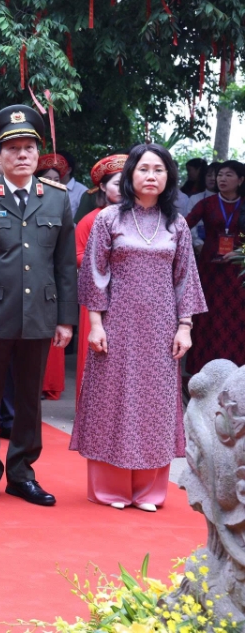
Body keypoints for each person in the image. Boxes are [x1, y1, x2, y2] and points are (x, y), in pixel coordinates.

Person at [0, 105, 78, 507]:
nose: (23, 155)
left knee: (29, 398)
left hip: (39, 315)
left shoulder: (57, 200)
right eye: (13, 149)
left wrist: (66, 319)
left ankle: (23, 473)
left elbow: (64, 266)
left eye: (29, 148)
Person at [74, 143, 205, 511]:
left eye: (159, 170)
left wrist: (185, 327)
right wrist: (95, 323)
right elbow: (94, 273)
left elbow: (185, 278)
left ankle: (149, 491)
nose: (151, 176)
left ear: (169, 178)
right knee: (112, 401)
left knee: (156, 404)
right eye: (144, 169)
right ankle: (111, 488)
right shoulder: (109, 219)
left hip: (162, 326)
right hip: (117, 322)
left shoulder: (176, 223)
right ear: (131, 175)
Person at [73, 155, 127, 400]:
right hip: (98, 294)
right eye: (117, 183)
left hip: (130, 296)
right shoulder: (90, 219)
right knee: (96, 352)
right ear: (103, 187)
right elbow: (77, 254)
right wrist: (111, 265)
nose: (124, 189)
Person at [185, 160, 245, 372]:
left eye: (229, 175)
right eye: (220, 175)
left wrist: (239, 252)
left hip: (237, 272)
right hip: (209, 271)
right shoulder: (206, 203)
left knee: (235, 319)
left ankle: (235, 369)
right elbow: (184, 226)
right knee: (207, 318)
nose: (222, 179)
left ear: (240, 180)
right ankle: (201, 369)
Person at [35, 153, 72, 401]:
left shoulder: (63, 202)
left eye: (56, 179)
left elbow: (66, 262)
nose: (52, 182)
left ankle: (48, 384)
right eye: (46, 178)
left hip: (51, 289)